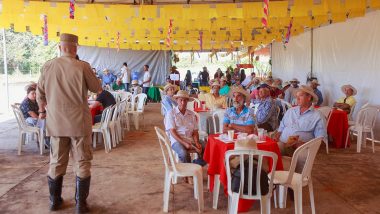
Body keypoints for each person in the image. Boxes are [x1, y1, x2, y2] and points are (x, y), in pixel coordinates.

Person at [36, 33, 101, 213]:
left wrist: (42, 110)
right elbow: (96, 88)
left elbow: (40, 93)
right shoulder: (83, 66)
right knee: (82, 162)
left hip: (56, 123)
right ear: (76, 48)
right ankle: (80, 204)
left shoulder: (48, 66)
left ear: (59, 47)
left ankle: (54, 201)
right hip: (79, 123)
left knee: (56, 162)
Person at [274, 85, 327, 158]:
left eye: (301, 96)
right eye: (296, 96)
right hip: (283, 143)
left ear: (309, 97)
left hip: (301, 150)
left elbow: (321, 140)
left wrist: (304, 144)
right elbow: (281, 127)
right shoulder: (290, 111)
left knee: (271, 155)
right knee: (266, 151)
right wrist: (278, 134)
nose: (297, 98)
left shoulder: (317, 116)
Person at [164, 90, 203, 164]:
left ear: (187, 101)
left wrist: (197, 142)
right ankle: (188, 173)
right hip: (177, 141)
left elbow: (195, 131)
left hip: (190, 139)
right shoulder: (171, 113)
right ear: (176, 100)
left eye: (185, 100)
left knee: (207, 148)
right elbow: (172, 132)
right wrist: (184, 143)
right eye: (181, 100)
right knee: (183, 154)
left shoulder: (191, 114)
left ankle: (195, 165)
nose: (183, 103)